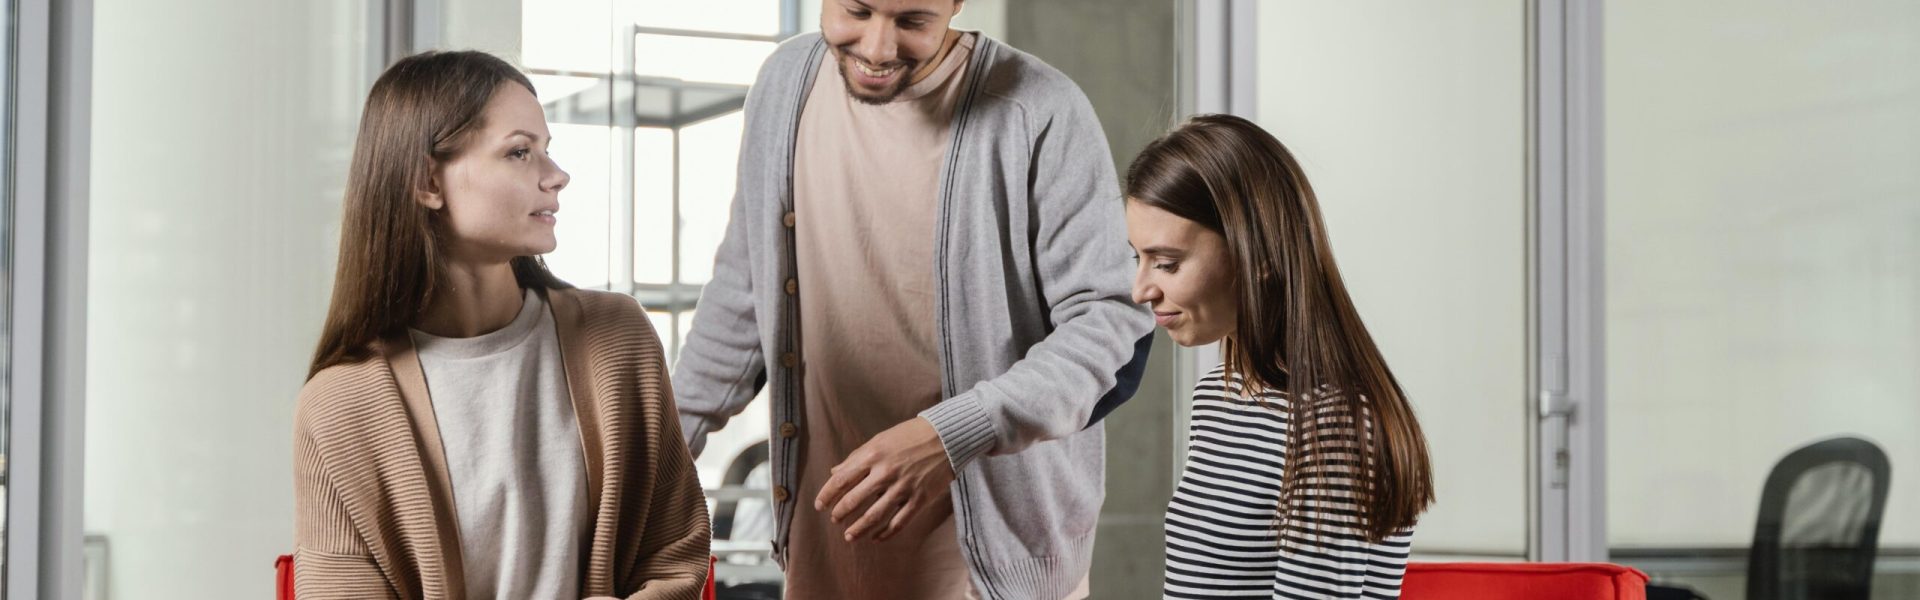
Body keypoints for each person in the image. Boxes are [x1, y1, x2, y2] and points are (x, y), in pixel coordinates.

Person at [670, 1, 1154, 598]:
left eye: (912, 22)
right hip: (825, 549)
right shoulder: (783, 85)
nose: (876, 47)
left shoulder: (1039, 107)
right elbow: (741, 296)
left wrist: (951, 433)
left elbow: (1110, 319)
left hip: (994, 567)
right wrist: (658, 451)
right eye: (857, 10)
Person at [292, 50, 710, 600]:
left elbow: (674, 555)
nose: (556, 176)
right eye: (519, 152)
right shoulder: (339, 405)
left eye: (546, 151)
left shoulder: (617, 338)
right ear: (428, 183)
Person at [1124, 114, 1435, 599]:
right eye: (1136, 257)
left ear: (1258, 258)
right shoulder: (1220, 394)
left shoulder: (1330, 428)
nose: (1140, 289)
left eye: (1167, 263)